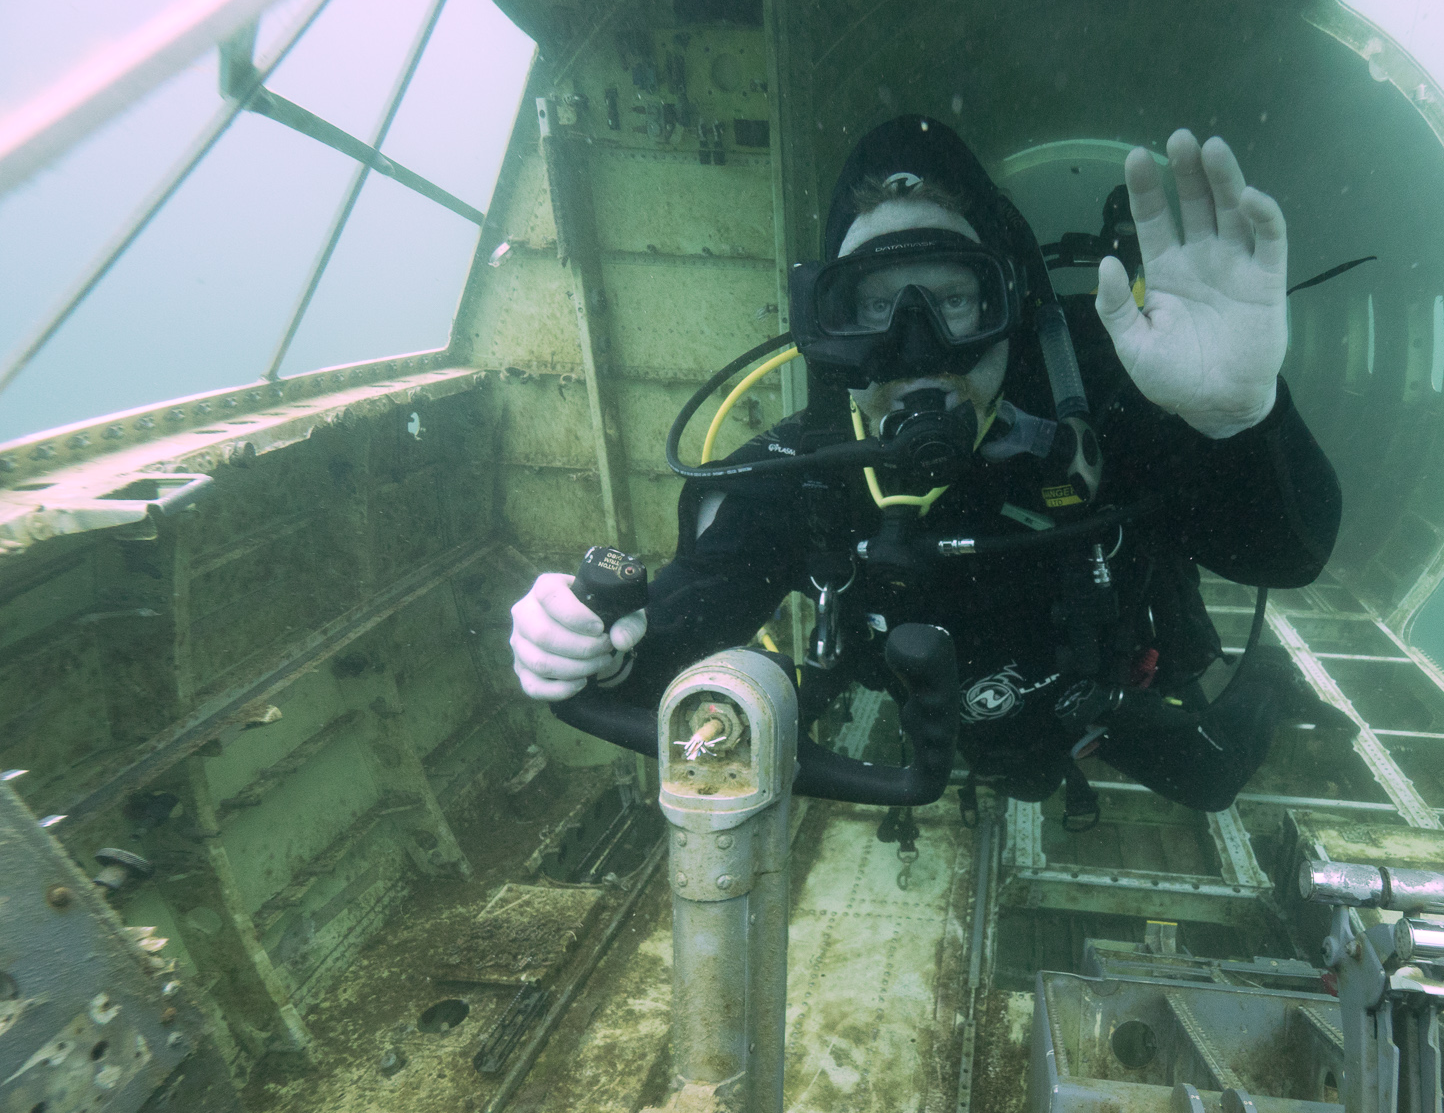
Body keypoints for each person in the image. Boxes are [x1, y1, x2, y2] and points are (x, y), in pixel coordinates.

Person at [509, 116, 1341, 817]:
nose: (917, 350)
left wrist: (1239, 417)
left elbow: (1284, 557)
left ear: (1005, 306)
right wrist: (596, 648)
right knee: (1020, 777)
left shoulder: (1099, 406)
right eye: (876, 308)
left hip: (1109, 686)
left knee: (1211, 780)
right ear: (831, 330)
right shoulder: (798, 477)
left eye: (950, 299)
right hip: (957, 725)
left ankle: (1268, 680)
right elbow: (685, 624)